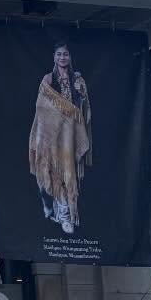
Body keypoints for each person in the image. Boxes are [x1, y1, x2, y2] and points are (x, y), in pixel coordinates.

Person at [27, 41, 92, 235]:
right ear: (54, 57)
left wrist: (81, 95)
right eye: (59, 54)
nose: (62, 57)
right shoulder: (48, 79)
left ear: (69, 57)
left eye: (65, 54)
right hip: (51, 132)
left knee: (68, 173)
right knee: (52, 172)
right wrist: (60, 111)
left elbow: (84, 107)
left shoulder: (77, 79)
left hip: (70, 133)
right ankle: (58, 212)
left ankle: (66, 215)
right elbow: (41, 105)